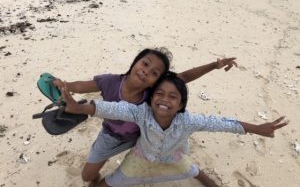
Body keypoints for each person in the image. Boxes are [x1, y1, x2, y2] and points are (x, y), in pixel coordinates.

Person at [61, 71, 288, 187]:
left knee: (197, 174)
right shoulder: (141, 112)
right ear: (151, 100)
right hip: (141, 157)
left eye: (172, 97)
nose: (164, 100)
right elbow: (113, 109)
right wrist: (81, 108)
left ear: (180, 104)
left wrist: (258, 129)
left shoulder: (188, 121)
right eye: (159, 94)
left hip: (174, 156)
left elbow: (222, 123)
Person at [53, 47, 237, 186]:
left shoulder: (152, 93)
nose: (146, 71)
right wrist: (64, 85)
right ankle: (96, 180)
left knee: (173, 155)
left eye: (155, 73)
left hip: (139, 138)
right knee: (87, 176)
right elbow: (80, 86)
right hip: (109, 136)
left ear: (158, 81)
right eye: (145, 63)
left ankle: (196, 173)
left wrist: (215, 65)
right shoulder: (110, 82)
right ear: (135, 62)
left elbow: (184, 76)